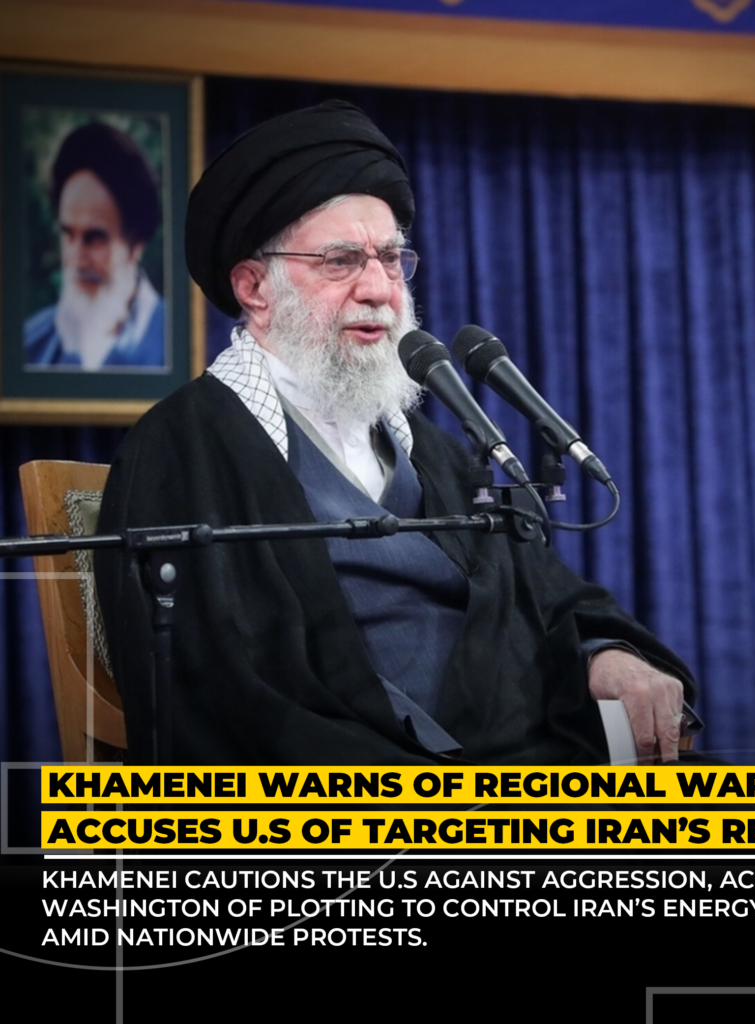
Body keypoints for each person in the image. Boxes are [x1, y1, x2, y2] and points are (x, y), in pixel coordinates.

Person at [95, 100, 700, 766]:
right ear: (254, 288)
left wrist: (605, 653)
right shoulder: (182, 450)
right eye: (341, 261)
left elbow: (544, 597)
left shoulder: (435, 451)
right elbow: (213, 686)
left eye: (389, 259)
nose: (379, 289)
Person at [24, 121, 165, 370]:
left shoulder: (177, 342)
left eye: (94, 238)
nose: (76, 257)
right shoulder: (31, 343)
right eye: (68, 234)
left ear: (135, 245)